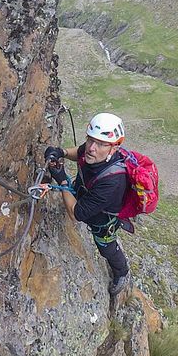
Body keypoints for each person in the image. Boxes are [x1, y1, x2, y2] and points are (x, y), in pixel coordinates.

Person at [44, 112, 131, 296]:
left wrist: (62, 181)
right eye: (91, 140)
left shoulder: (113, 181)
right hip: (86, 194)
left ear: (113, 149)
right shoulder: (94, 150)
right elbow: (81, 151)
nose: (92, 147)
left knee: (106, 247)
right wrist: (63, 153)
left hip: (101, 221)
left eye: (100, 144)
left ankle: (121, 271)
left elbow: (76, 214)